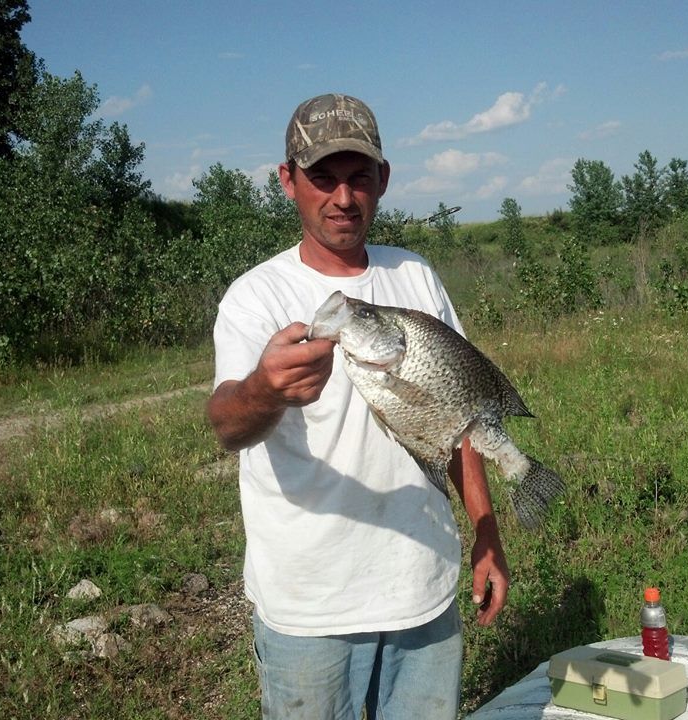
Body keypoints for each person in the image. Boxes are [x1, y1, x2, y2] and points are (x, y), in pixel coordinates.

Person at [206, 93, 510, 720]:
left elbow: (458, 418)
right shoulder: (255, 295)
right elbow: (226, 426)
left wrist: (486, 530)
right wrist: (266, 389)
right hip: (310, 605)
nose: (343, 198)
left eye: (359, 178)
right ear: (288, 181)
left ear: (383, 180)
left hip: (423, 589)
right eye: (323, 177)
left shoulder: (417, 277)